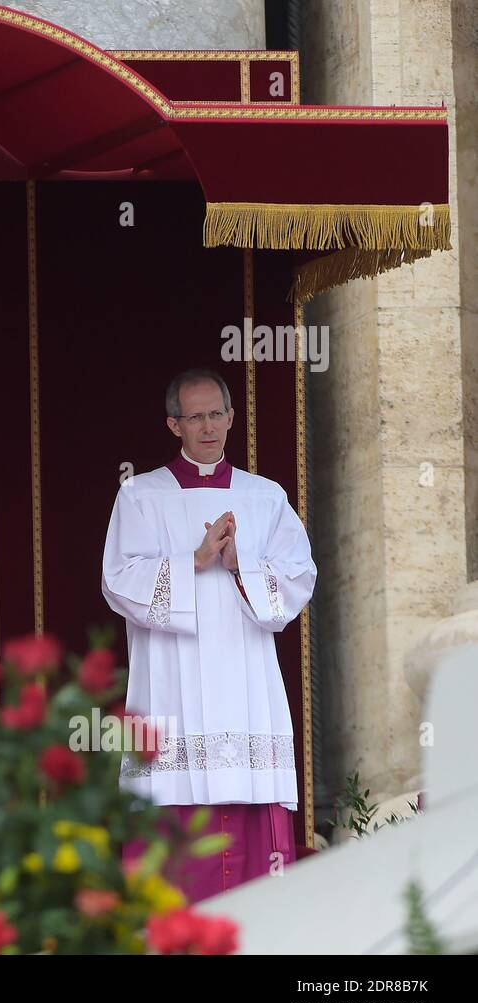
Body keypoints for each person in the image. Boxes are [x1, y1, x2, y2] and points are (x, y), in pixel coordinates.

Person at [102, 369, 316, 900]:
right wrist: (192, 561)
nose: (208, 427)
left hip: (246, 682)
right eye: (194, 416)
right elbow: (118, 582)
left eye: (216, 414)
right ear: (173, 424)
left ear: (232, 417)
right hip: (170, 681)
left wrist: (241, 563)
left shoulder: (265, 497)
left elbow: (299, 578)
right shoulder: (141, 496)